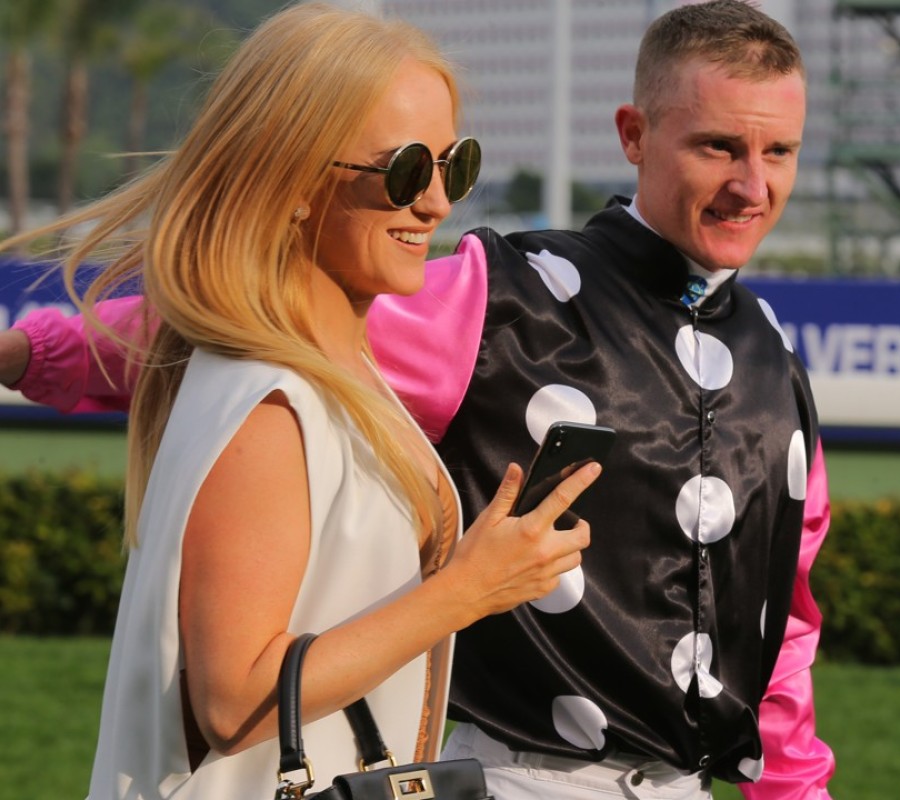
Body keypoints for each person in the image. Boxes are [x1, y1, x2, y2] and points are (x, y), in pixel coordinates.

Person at [0, 1, 833, 798]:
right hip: (511, 777)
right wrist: (23, 352)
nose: (751, 186)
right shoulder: (500, 299)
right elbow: (227, 308)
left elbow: (783, 632)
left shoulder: (778, 364)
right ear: (635, 135)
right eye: (719, 147)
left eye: (780, 153)